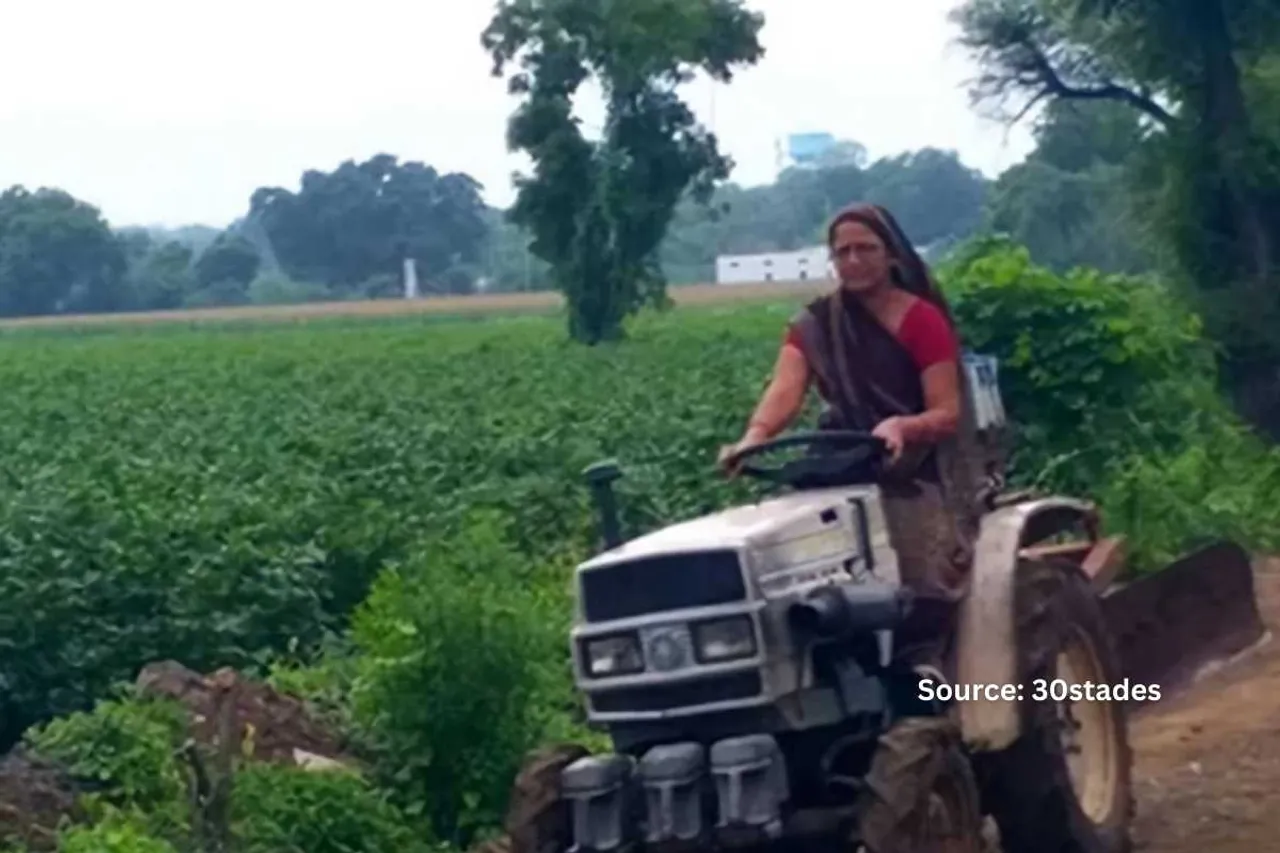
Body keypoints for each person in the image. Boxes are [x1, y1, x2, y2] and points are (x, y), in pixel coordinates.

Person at [718, 203, 988, 851]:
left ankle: (930, 693)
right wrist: (752, 438)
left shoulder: (920, 321)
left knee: (917, 587)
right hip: (841, 466)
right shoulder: (816, 325)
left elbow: (946, 410)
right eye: (842, 252)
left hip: (909, 475)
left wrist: (903, 426)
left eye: (865, 249)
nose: (853, 261)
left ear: (891, 253)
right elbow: (785, 391)